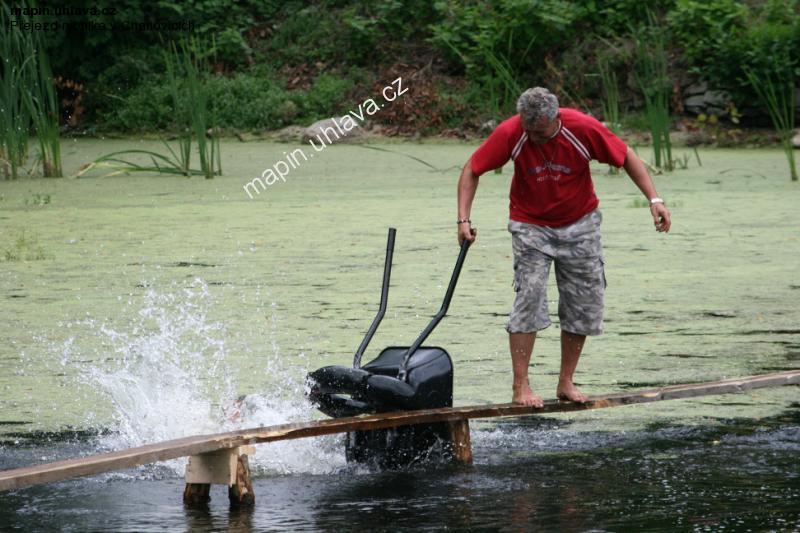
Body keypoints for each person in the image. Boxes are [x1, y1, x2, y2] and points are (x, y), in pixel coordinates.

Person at [456, 87, 671, 407]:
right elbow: (472, 169)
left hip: (580, 224)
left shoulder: (582, 128)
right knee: (529, 295)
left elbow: (627, 157)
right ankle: (520, 387)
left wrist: (654, 200)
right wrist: (463, 219)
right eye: (529, 132)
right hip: (531, 226)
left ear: (556, 119)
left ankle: (565, 382)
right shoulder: (512, 133)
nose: (535, 139)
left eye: (540, 133)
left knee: (582, 303)